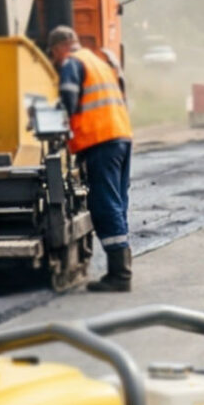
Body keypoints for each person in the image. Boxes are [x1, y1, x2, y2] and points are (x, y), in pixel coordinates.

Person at [50, 25, 135, 292]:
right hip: (121, 136)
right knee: (117, 202)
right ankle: (121, 268)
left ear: (60, 47)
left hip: (100, 141)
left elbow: (69, 101)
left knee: (104, 204)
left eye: (53, 55)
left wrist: (51, 118)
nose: (55, 61)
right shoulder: (98, 61)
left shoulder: (72, 64)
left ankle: (120, 275)